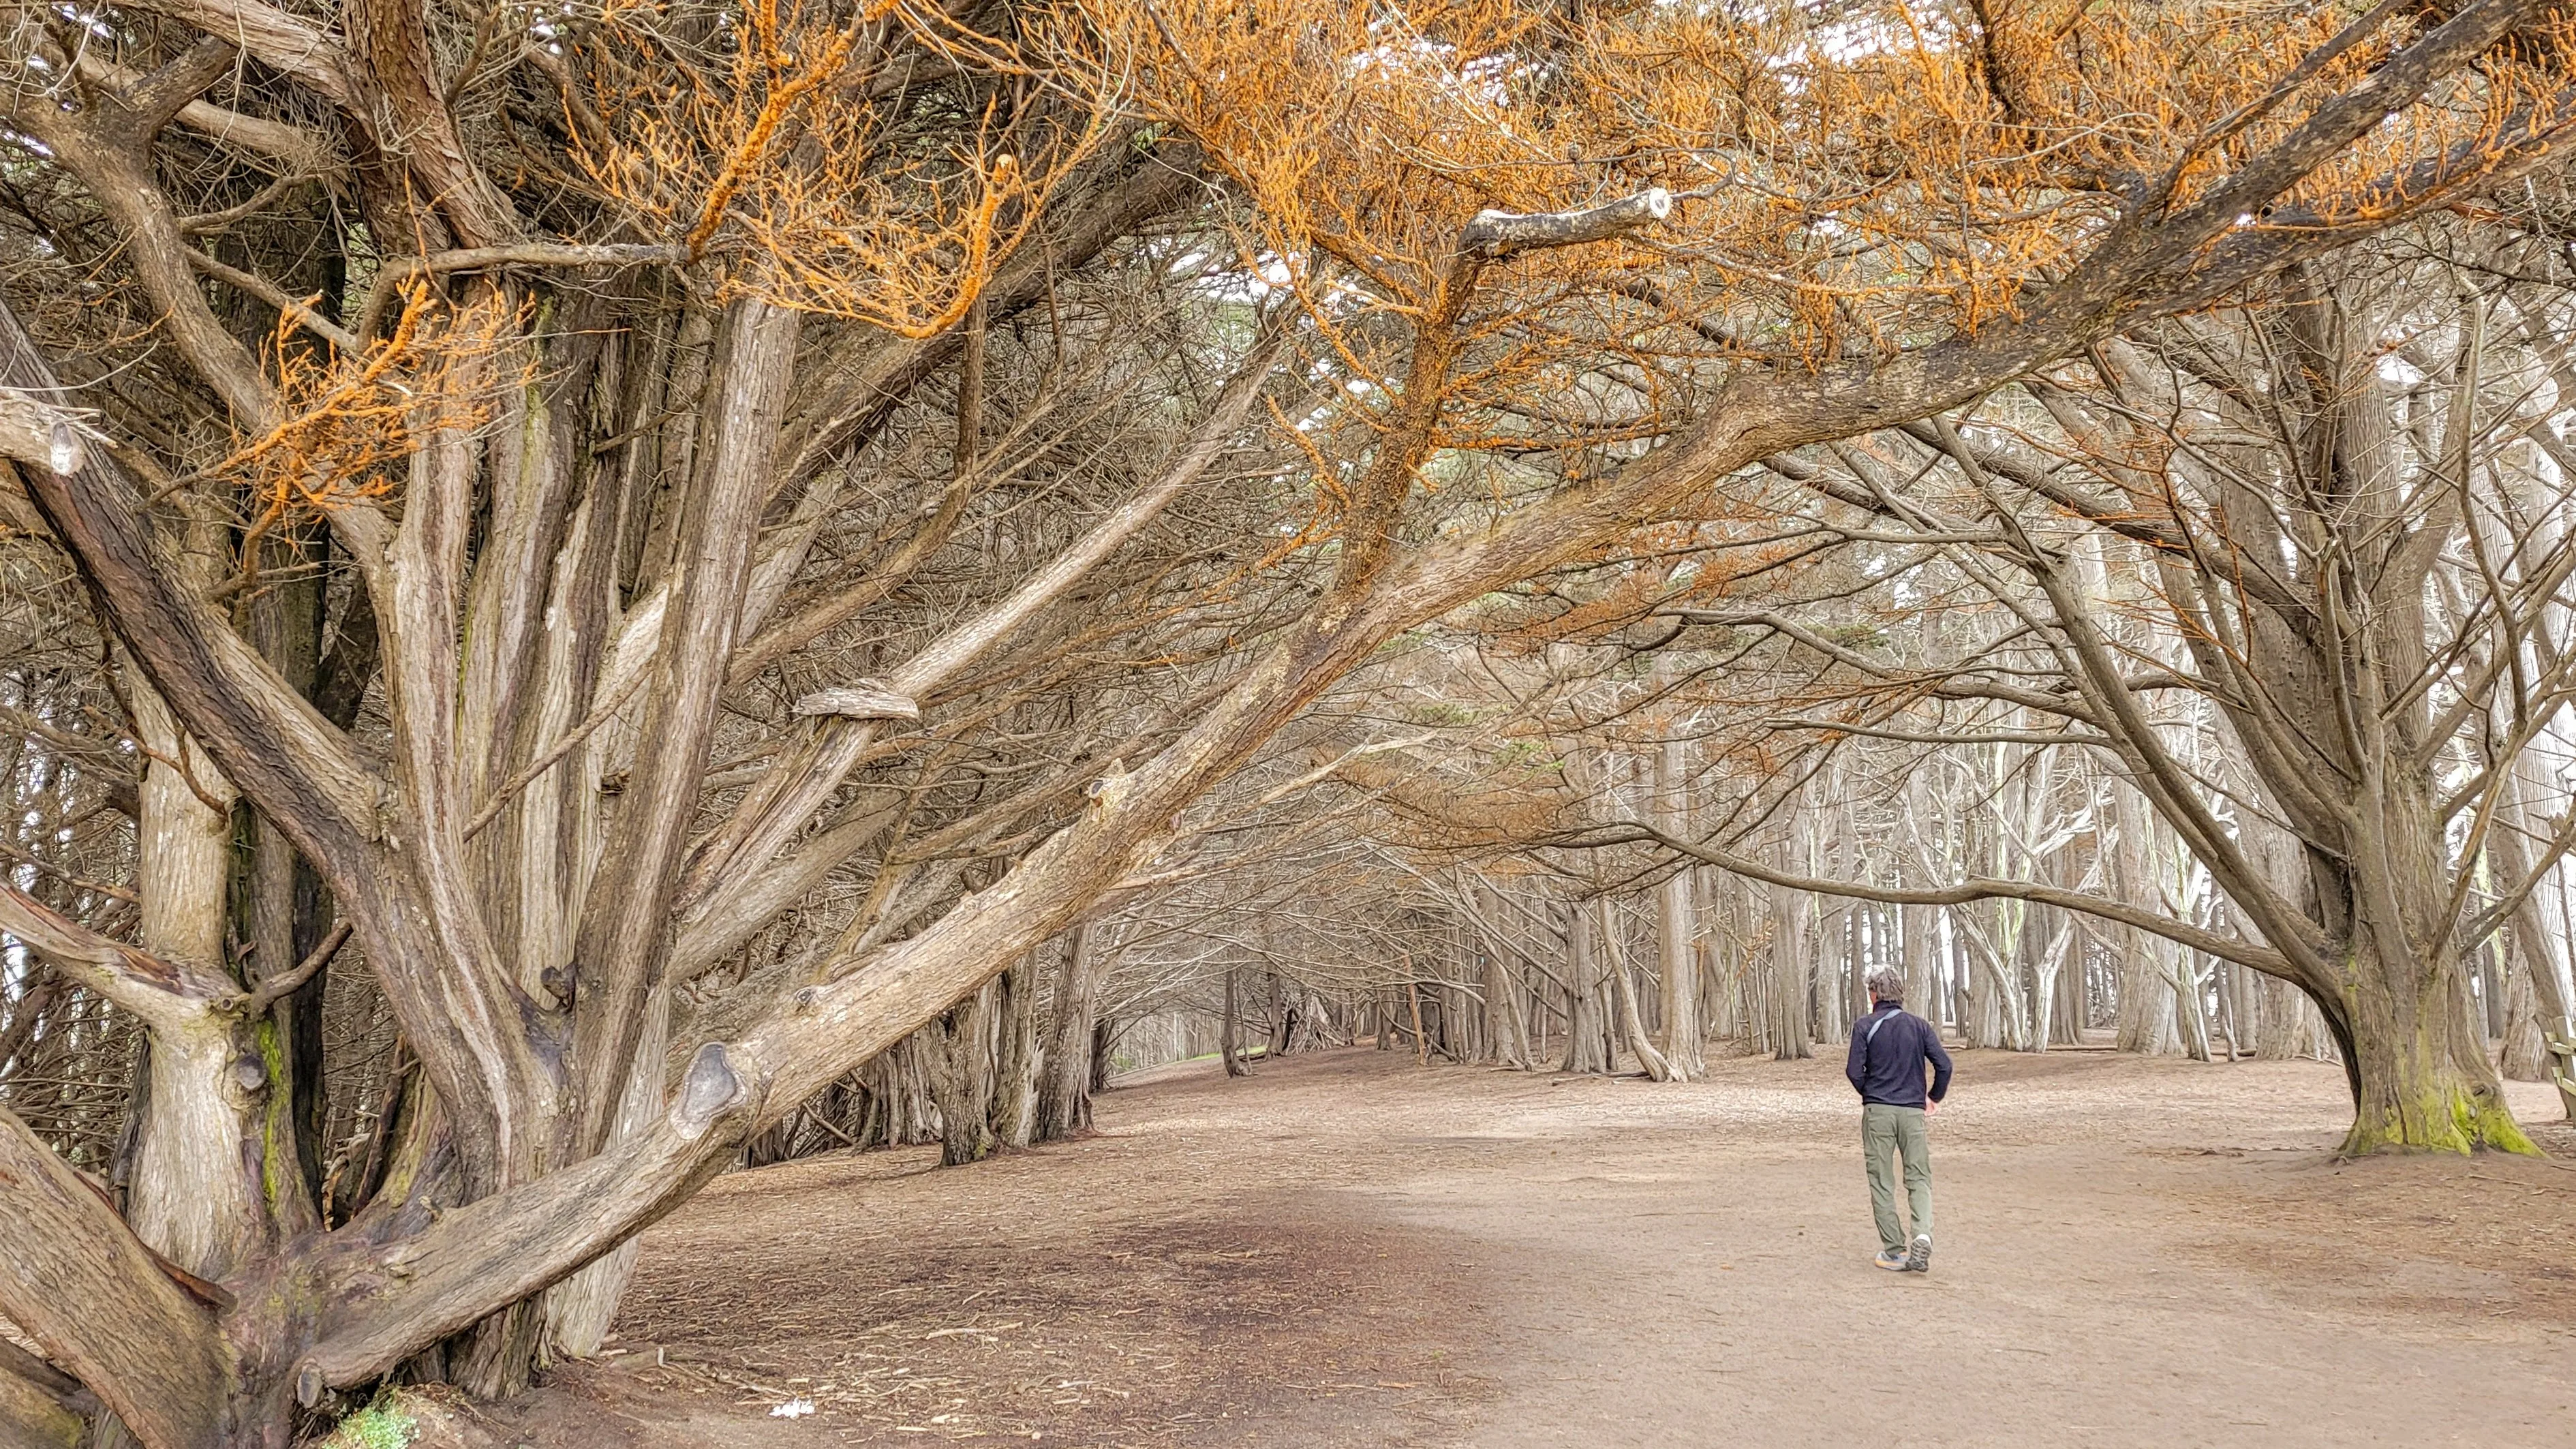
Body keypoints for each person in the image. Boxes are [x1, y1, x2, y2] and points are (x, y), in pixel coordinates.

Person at [1847, 965, 1952, 1273]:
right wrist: (1932, 1097)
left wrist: (1871, 1093)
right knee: (1919, 1178)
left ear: (1874, 994)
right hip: (1912, 1114)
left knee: (1882, 1180)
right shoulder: (1919, 1027)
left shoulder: (1865, 1026)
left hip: (1878, 1112)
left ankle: (1894, 1250)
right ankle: (1923, 1234)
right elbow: (1944, 1065)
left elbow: (1854, 1071)